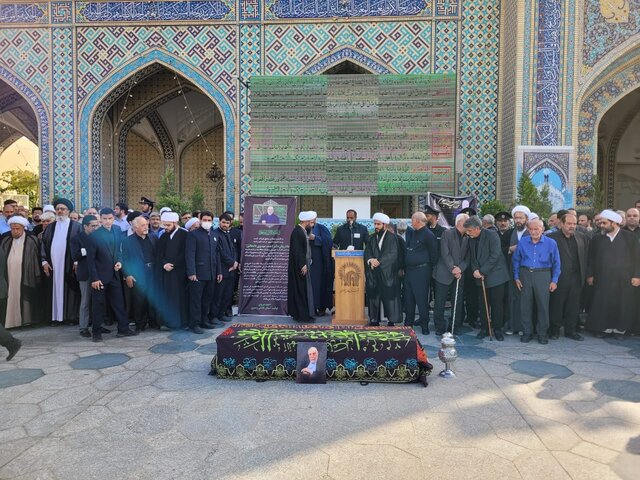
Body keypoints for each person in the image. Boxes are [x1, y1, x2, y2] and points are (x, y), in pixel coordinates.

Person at [586, 210, 640, 339]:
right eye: (600, 223)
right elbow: (591, 258)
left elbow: (637, 258)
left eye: (604, 223)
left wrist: (637, 276)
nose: (601, 225)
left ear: (614, 223)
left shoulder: (629, 237)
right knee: (602, 303)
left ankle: (619, 331)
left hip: (624, 279)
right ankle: (602, 329)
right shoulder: (597, 238)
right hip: (602, 279)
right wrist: (590, 275)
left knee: (621, 304)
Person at [87, 208, 137, 341]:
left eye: (110, 218)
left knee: (119, 303)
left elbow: (119, 250)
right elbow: (90, 260)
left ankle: (123, 329)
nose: (107, 221)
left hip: (114, 274)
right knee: (98, 305)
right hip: (100, 277)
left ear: (113, 218)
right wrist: (95, 278)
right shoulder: (94, 236)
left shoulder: (117, 230)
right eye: (104, 218)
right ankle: (96, 333)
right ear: (100, 219)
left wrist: (119, 262)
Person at [512, 218, 561, 344]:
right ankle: (527, 332)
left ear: (543, 229)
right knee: (525, 305)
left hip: (543, 275)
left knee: (543, 306)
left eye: (537, 229)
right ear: (528, 230)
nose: (534, 232)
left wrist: (554, 280)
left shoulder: (551, 243)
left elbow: (557, 263)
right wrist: (517, 277)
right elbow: (516, 260)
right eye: (531, 229)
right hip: (525, 274)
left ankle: (542, 333)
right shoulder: (523, 242)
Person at [465, 215, 510, 341]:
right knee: (483, 304)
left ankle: (497, 329)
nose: (468, 234)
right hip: (480, 276)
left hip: (496, 276)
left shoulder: (492, 235)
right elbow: (472, 257)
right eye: (467, 231)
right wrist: (475, 270)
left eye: (470, 231)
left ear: (478, 228)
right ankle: (485, 328)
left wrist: (482, 270)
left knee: (497, 304)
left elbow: (495, 256)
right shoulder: (471, 239)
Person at [40, 198, 82, 325]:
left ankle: (70, 317)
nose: (59, 211)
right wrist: (44, 262)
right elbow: (43, 245)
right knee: (54, 290)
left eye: (62, 209)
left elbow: (81, 245)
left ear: (68, 211)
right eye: (57, 209)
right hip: (53, 265)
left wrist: (77, 261)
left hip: (69, 264)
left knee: (70, 291)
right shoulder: (50, 227)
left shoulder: (76, 227)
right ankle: (56, 318)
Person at [548, 213, 588, 341]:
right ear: (561, 224)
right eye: (569, 223)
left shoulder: (582, 237)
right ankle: (554, 330)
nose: (572, 226)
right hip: (558, 278)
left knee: (574, 305)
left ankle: (570, 331)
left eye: (574, 224)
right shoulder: (551, 238)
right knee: (557, 305)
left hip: (576, 278)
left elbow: (586, 256)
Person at [0, 216, 43, 328]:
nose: (14, 231)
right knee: (9, 296)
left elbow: (36, 258)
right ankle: (10, 322)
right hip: (8, 275)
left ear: (23, 227)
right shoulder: (5, 238)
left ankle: (27, 321)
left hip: (26, 275)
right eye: (12, 228)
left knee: (25, 296)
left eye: (17, 228)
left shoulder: (31, 239)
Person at [364, 212, 404, 326]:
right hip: (374, 274)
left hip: (388, 274)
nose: (376, 226)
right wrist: (370, 260)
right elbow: (367, 253)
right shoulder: (371, 238)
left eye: (378, 224)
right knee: (374, 297)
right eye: (375, 224)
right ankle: (374, 320)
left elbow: (393, 254)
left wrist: (379, 262)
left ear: (385, 225)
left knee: (390, 298)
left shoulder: (392, 238)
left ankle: (391, 320)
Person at [433, 213, 469, 335]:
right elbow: (445, 252)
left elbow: (468, 257)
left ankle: (455, 326)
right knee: (440, 301)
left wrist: (460, 269)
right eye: (467, 222)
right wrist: (453, 268)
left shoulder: (467, 237)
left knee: (458, 302)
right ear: (460, 223)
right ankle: (439, 327)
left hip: (459, 274)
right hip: (444, 273)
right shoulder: (447, 233)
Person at [122, 216, 159, 332]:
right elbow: (124, 259)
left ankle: (153, 321)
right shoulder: (128, 241)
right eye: (143, 225)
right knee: (139, 300)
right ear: (135, 227)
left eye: (146, 224)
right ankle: (140, 324)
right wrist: (127, 275)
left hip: (152, 272)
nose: (146, 227)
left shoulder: (153, 238)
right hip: (138, 273)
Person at [185, 211, 219, 333]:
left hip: (211, 273)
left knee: (207, 299)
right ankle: (194, 324)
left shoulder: (214, 234)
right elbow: (190, 254)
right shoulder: (193, 235)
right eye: (205, 220)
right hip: (198, 274)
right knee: (196, 300)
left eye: (209, 220)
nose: (207, 222)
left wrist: (218, 271)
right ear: (199, 220)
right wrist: (191, 272)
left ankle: (204, 321)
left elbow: (216, 254)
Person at [403, 212, 437, 332]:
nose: (411, 223)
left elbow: (434, 254)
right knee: (408, 299)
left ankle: (424, 325)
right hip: (410, 271)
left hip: (422, 271)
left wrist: (429, 270)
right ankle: (408, 323)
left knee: (421, 299)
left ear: (417, 221)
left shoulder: (428, 234)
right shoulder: (413, 233)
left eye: (412, 220)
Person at [156, 211, 188, 329]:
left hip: (179, 272)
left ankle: (181, 323)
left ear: (175, 223)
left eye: (168, 225)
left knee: (180, 298)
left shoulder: (184, 235)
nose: (166, 227)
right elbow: (159, 253)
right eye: (164, 225)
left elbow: (185, 253)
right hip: (166, 272)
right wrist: (164, 264)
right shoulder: (163, 235)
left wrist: (173, 264)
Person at [70, 215, 100, 337]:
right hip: (85, 274)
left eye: (96, 225)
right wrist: (88, 250)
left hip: (98, 273)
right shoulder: (77, 239)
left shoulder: (99, 237)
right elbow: (75, 255)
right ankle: (83, 327)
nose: (95, 228)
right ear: (85, 226)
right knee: (85, 301)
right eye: (93, 226)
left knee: (98, 301)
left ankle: (97, 324)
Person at [210, 213, 238, 324]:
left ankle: (221, 315)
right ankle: (214, 316)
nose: (225, 224)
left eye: (227, 223)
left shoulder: (227, 234)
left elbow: (233, 250)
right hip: (221, 269)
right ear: (219, 222)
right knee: (218, 294)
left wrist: (235, 262)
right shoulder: (215, 234)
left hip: (231, 270)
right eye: (223, 222)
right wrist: (232, 263)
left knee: (227, 294)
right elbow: (220, 252)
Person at [287, 211, 315, 323]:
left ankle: (302, 314)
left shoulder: (302, 231)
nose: (312, 224)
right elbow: (297, 251)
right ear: (306, 221)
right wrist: (302, 264)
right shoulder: (298, 232)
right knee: (300, 290)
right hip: (300, 267)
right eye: (311, 222)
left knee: (303, 290)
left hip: (303, 264)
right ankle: (302, 316)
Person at [308, 213, 334, 316]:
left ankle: (320, 307)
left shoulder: (322, 228)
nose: (311, 221)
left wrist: (315, 238)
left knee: (318, 285)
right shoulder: (302, 229)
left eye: (312, 219)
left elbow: (328, 242)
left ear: (315, 219)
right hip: (306, 263)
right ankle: (310, 308)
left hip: (319, 263)